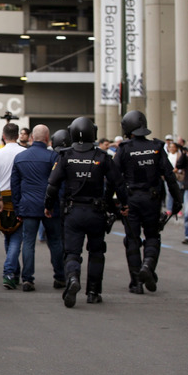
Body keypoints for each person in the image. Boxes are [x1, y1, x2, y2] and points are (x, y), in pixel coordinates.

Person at [45, 117, 127, 307]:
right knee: (97, 252)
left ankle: (73, 277)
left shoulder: (65, 156)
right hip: (96, 212)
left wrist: (48, 206)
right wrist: (123, 204)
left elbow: (52, 185)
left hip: (73, 212)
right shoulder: (102, 157)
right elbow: (118, 183)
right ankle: (93, 292)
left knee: (72, 252)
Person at [114, 110, 181, 294]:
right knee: (152, 236)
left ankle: (136, 282)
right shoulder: (157, 147)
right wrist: (177, 200)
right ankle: (148, 265)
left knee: (132, 239)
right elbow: (169, 176)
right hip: (152, 199)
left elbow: (114, 177)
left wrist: (112, 202)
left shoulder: (124, 148)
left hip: (132, 199)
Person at [11, 125, 65, 291]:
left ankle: (28, 279)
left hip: (28, 206)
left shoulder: (20, 157)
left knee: (28, 242)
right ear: (48, 138)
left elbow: (15, 186)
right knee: (55, 241)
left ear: (32, 138)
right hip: (50, 206)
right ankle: (60, 276)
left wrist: (17, 208)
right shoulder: (54, 157)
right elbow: (59, 184)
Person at [0, 123, 27, 289]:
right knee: (16, 236)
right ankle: (10, 272)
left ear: (3, 136)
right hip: (20, 197)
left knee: (7, 233)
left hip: (1, 198)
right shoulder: (25, 153)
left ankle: (12, 271)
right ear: (18, 135)